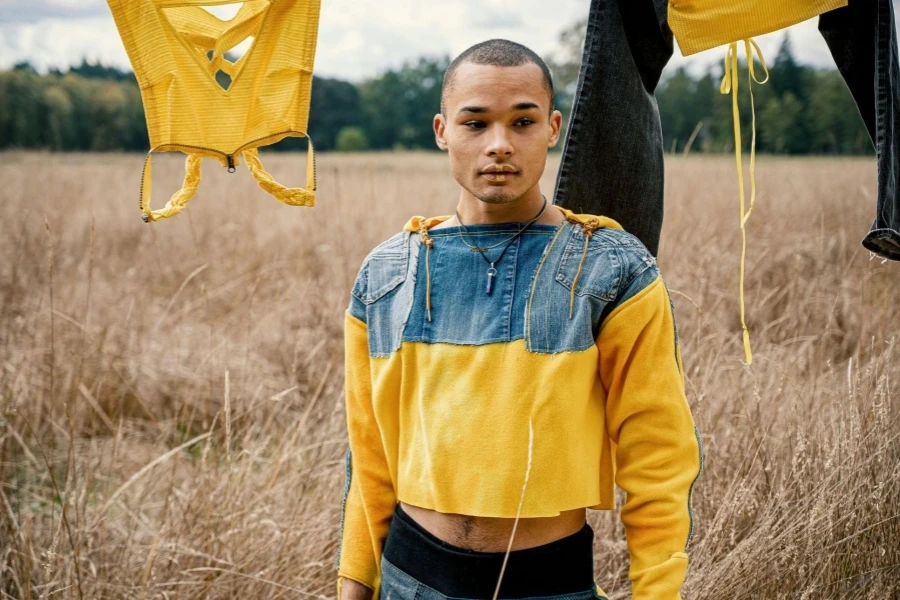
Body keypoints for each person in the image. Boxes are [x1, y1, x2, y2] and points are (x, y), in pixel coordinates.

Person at [336, 39, 703, 600]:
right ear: (442, 132)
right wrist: (356, 582)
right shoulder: (389, 272)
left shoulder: (611, 268)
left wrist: (658, 591)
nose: (500, 145)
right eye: (476, 124)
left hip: (548, 582)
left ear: (554, 127)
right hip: (411, 578)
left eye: (523, 121)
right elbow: (369, 450)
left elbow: (657, 453)